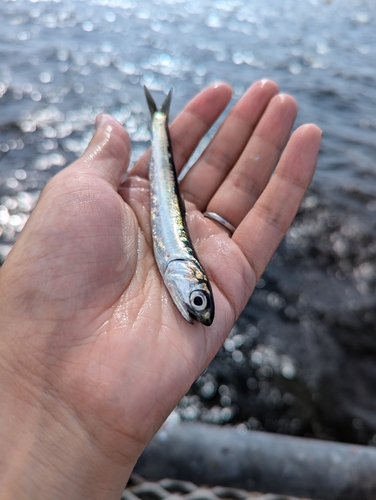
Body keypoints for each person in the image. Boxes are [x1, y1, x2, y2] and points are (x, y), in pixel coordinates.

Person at [0, 80, 321, 499]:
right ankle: (159, 120)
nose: (196, 306)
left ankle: (159, 119)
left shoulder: (183, 275)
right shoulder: (182, 271)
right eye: (199, 297)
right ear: (193, 278)